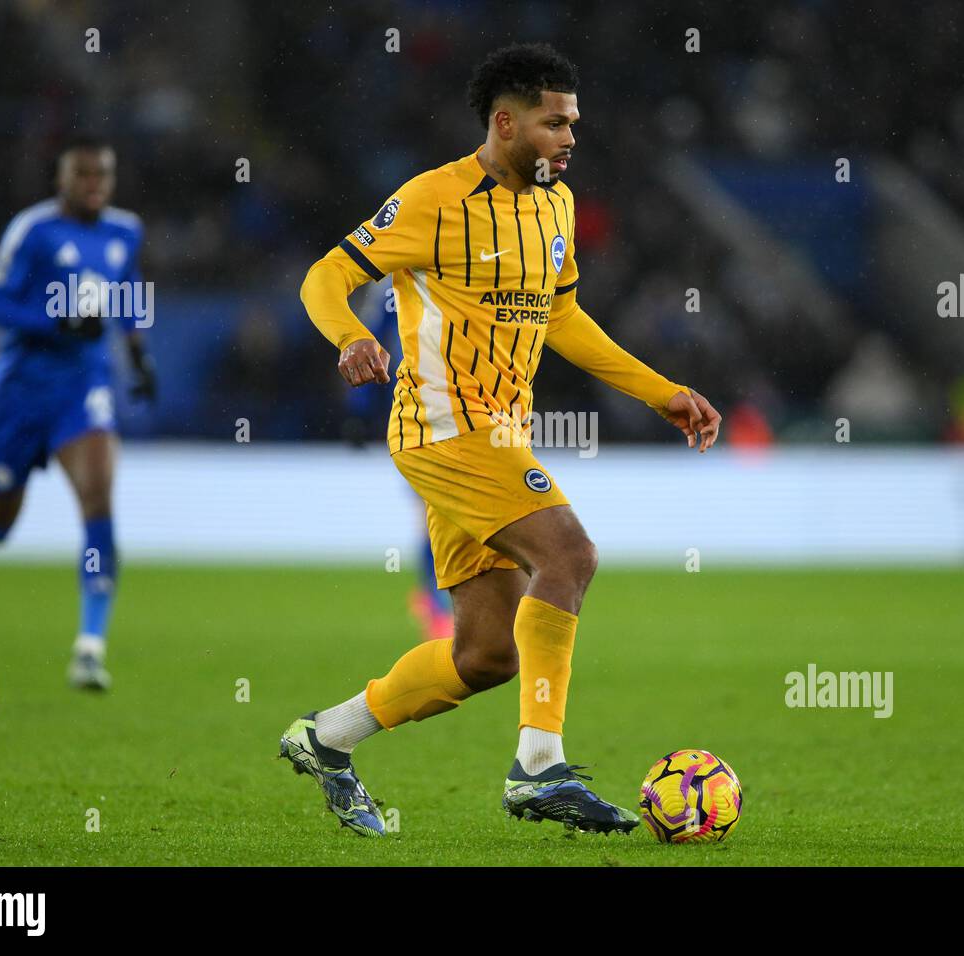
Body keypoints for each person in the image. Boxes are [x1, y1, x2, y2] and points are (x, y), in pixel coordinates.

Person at [287, 43, 721, 836]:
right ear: (506, 121)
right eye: (556, 123)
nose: (570, 138)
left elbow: (562, 318)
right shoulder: (433, 199)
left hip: (500, 431)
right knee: (571, 556)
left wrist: (662, 392)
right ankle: (539, 770)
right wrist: (348, 336)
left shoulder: (556, 207)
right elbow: (325, 275)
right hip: (443, 425)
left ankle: (325, 737)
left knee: (487, 655)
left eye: (574, 124)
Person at [0, 135, 157, 690]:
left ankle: (89, 646)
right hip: (22, 390)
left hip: (84, 385)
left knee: (98, 498)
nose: (93, 186)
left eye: (102, 175)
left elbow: (126, 289)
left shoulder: (124, 230)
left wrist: (136, 355)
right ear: (60, 179)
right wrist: (53, 322)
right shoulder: (31, 230)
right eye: (83, 176)